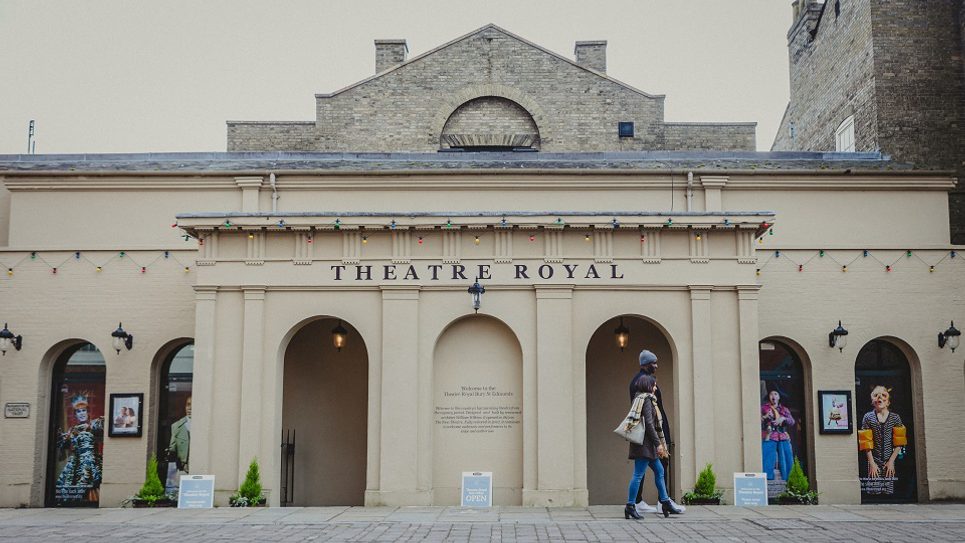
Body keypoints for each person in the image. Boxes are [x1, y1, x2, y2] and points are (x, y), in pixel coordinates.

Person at [629, 349, 684, 514]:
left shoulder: (639, 382)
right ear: (646, 365)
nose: (656, 366)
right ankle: (635, 504)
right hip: (648, 438)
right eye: (654, 363)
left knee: (657, 470)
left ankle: (659, 501)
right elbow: (649, 419)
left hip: (649, 437)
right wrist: (658, 442)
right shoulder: (643, 389)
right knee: (642, 472)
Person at [56, 393, 104, 502]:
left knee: (90, 482)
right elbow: (64, 449)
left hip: (91, 462)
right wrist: (64, 440)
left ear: (87, 412)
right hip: (76, 462)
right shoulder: (72, 430)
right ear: (75, 414)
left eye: (83, 410)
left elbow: (101, 434)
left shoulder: (93, 425)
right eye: (78, 411)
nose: (81, 413)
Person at [860, 386, 903, 495]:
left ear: (888, 401)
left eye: (883, 395)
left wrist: (891, 461)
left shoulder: (895, 418)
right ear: (872, 401)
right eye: (876, 395)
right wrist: (872, 463)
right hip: (874, 460)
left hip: (889, 460)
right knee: (873, 490)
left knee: (888, 491)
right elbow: (866, 443)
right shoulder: (868, 417)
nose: (880, 398)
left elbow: (899, 442)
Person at [761, 390, 796, 481]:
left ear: (779, 397)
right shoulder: (764, 408)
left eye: (775, 394)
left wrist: (783, 418)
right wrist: (765, 417)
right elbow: (756, 420)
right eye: (771, 394)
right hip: (769, 435)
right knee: (767, 458)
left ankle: (789, 479)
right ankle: (767, 479)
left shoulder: (784, 409)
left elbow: (792, 422)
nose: (773, 396)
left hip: (782, 436)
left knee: (787, 458)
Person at [168, 396, 191, 472]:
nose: (190, 408)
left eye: (193, 405)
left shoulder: (205, 425)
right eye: (188, 404)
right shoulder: (176, 426)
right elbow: (172, 450)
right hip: (182, 469)